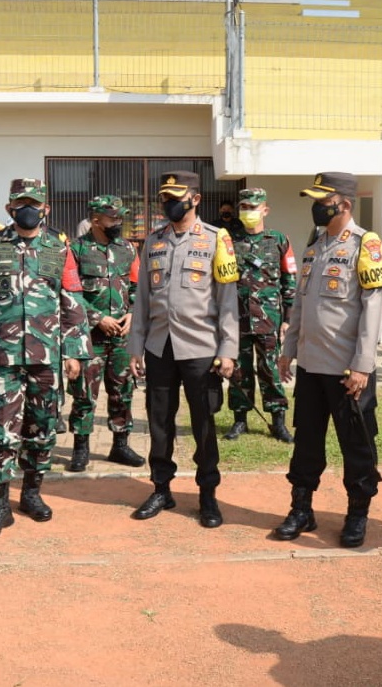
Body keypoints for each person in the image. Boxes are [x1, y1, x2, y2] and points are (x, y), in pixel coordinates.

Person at [0, 178, 91, 540]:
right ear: (10, 208)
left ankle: (31, 493)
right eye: (21, 203)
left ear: (46, 208)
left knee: (43, 429)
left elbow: (72, 301)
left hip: (47, 358)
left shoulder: (60, 250)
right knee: (1, 432)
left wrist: (75, 352)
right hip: (4, 358)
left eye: (35, 203)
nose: (28, 209)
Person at [274, 171, 382, 548]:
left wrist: (362, 365)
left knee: (356, 446)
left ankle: (357, 514)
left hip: (346, 371)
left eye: (322, 201)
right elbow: (300, 305)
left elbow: (374, 310)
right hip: (310, 365)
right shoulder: (314, 246)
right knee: (307, 442)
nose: (316, 208)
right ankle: (301, 509)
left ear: (343, 204)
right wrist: (289, 350)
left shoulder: (366, 245)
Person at [128, 170, 239, 528]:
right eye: (164, 198)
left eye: (176, 197)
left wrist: (229, 350)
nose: (168, 203)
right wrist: (136, 347)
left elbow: (228, 302)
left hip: (201, 348)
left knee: (203, 424)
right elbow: (142, 300)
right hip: (160, 346)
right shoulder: (153, 241)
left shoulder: (217, 239)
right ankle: (162, 488)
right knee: (159, 423)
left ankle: (208, 494)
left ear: (195, 199)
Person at [66, 194, 145, 472]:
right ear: (96, 219)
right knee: (85, 395)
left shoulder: (128, 249)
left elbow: (137, 286)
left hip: (121, 337)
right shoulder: (75, 249)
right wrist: (98, 318)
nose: (118, 222)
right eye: (113, 217)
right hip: (89, 338)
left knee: (122, 392)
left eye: (120, 217)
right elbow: (69, 292)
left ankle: (120, 446)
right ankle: (81, 449)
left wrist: (132, 312)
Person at [225, 187, 297, 443]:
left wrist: (288, 319)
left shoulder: (278, 240)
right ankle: (239, 420)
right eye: (244, 207)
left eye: (253, 207)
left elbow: (290, 280)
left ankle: (278, 422)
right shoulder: (229, 241)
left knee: (270, 370)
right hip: (237, 320)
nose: (248, 212)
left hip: (269, 320)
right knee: (239, 372)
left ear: (265, 210)